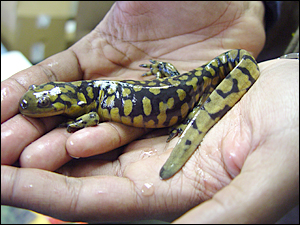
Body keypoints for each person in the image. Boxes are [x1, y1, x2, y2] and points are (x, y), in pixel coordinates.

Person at [1, 2, 298, 223]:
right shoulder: (87, 97)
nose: (29, 107)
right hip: (181, 83)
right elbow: (93, 114)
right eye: (38, 102)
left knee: (188, 99)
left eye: (39, 103)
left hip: (184, 93)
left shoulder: (85, 99)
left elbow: (93, 115)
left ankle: (191, 114)